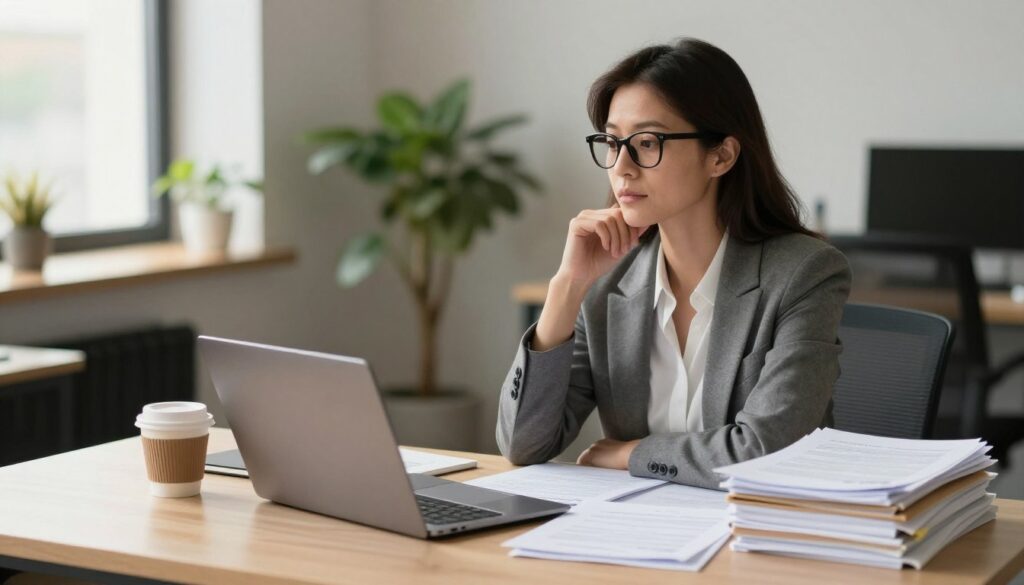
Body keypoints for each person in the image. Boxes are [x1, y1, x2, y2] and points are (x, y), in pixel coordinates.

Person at [495, 38, 851, 489]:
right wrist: (567, 287)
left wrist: (631, 454)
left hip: (762, 534)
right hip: (639, 535)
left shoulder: (805, 274)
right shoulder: (608, 283)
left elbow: (766, 451)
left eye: (647, 142)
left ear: (720, 155)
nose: (621, 166)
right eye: (611, 142)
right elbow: (522, 444)